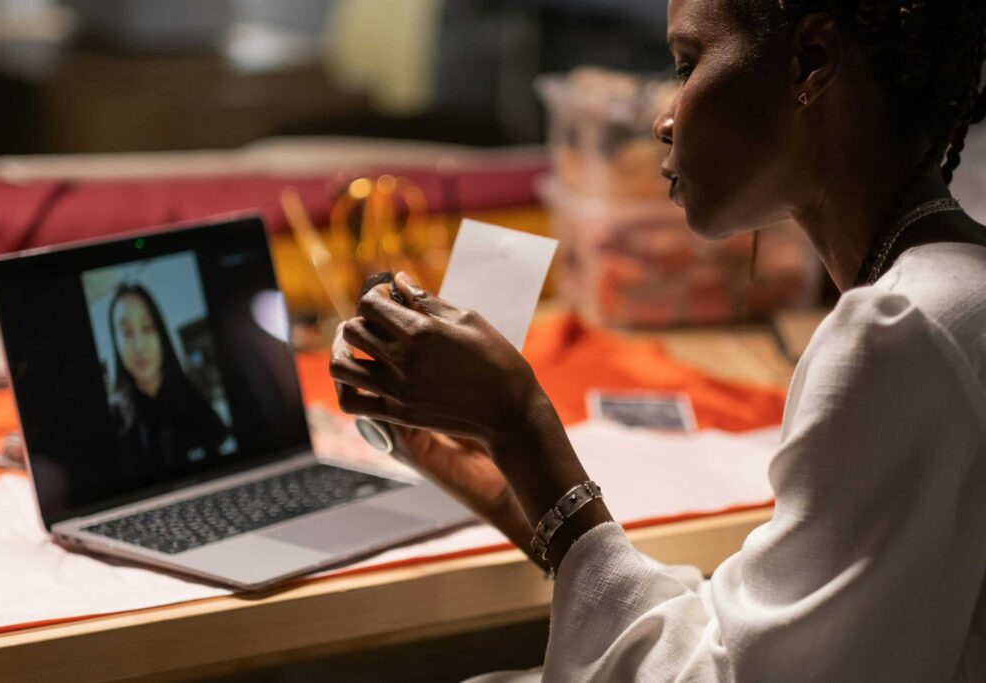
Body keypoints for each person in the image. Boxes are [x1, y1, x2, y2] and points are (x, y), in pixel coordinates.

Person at [331, 0, 986, 680]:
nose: (664, 118)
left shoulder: (899, 335)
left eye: (688, 64)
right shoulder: (953, 296)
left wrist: (518, 423)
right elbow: (769, 623)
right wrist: (502, 486)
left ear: (810, 61)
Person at [108, 283, 229, 480]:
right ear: (115, 341)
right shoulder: (114, 417)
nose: (139, 346)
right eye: (126, 332)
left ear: (161, 333)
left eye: (148, 328)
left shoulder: (191, 398)